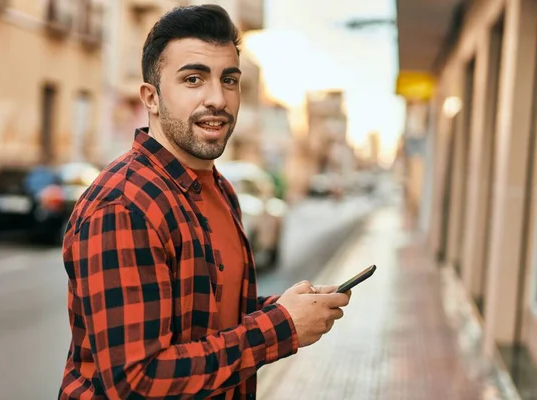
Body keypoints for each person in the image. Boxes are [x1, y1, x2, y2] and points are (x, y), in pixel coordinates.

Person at [58, 5, 352, 400]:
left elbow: (208, 321)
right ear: (152, 98)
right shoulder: (123, 207)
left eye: (229, 80)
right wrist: (281, 327)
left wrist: (286, 307)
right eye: (193, 79)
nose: (217, 98)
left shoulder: (219, 188)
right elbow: (137, 383)